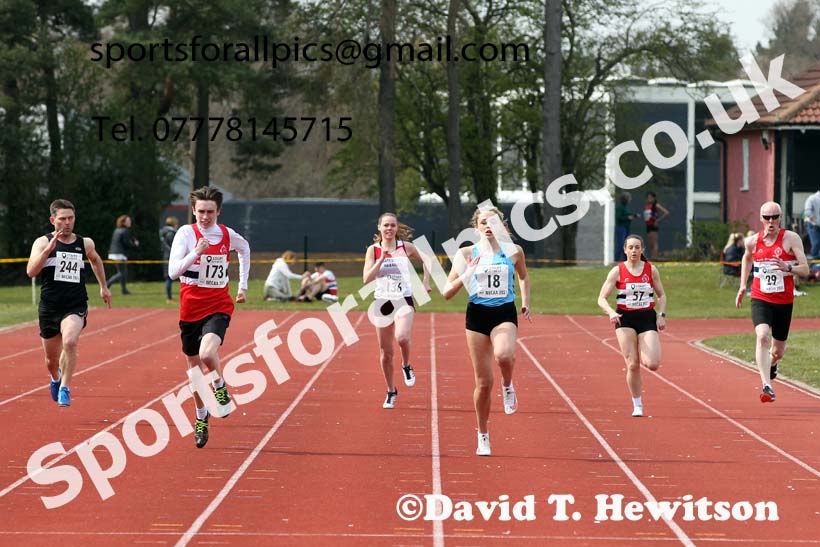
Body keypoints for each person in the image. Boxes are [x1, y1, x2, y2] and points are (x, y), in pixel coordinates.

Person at [443, 207, 531, 456]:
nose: (489, 226)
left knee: (503, 355)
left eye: (494, 221)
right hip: (477, 316)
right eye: (484, 222)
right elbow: (446, 293)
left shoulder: (513, 251)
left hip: (504, 313)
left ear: (501, 225)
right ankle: (483, 435)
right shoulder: (466, 253)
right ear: (476, 227)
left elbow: (523, 277)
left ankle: (508, 384)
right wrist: (467, 274)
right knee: (483, 384)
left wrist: (525, 300)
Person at [168, 187, 250, 448]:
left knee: (206, 355)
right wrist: (196, 252)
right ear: (193, 211)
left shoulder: (226, 234)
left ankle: (220, 385)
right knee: (194, 372)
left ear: (218, 211)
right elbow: (172, 272)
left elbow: (245, 249)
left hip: (218, 304)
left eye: (210, 212)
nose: (205, 217)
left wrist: (243, 286)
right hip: (190, 307)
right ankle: (202, 415)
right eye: (201, 211)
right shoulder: (185, 234)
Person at [26, 199, 112, 407]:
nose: (67, 222)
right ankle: (55, 378)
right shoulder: (42, 242)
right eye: (62, 218)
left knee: (71, 341)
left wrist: (103, 286)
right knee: (51, 361)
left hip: (75, 304)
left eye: (70, 218)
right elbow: (31, 272)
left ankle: (65, 386)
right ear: (52, 219)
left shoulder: (84, 243)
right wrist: (48, 251)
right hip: (49, 306)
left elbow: (95, 260)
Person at [735, 202, 809, 403]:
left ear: (780, 218)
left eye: (774, 217)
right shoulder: (752, 241)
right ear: (761, 219)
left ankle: (772, 363)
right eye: (766, 218)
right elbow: (746, 258)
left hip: (784, 301)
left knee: (778, 351)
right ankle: (767, 385)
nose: (771, 221)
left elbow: (806, 269)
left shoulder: (791, 239)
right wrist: (743, 285)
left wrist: (788, 267)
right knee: (762, 336)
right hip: (761, 297)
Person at [362, 213, 431, 409]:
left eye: (392, 225)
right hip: (382, 302)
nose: (389, 229)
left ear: (396, 228)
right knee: (386, 353)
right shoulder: (373, 251)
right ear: (379, 228)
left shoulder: (405, 247)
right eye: (386, 225)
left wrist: (425, 282)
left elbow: (427, 260)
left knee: (402, 338)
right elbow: (366, 279)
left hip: (403, 299)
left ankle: (406, 365)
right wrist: (380, 260)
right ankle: (391, 391)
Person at [597, 234, 667, 418]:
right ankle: (637, 404)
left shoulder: (651, 270)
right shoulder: (617, 271)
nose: (634, 251)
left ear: (642, 250)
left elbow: (662, 295)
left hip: (646, 317)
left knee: (652, 364)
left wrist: (661, 315)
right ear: (625, 250)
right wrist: (611, 312)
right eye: (631, 247)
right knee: (632, 364)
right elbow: (601, 298)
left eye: (637, 247)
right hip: (625, 318)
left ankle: (645, 352)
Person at [106, 214, 139, 295]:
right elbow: (126, 243)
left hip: (114, 253)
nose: (130, 222)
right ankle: (107, 284)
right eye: (128, 221)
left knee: (122, 273)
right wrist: (135, 244)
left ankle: (124, 290)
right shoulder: (125, 231)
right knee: (122, 273)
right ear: (123, 222)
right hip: (119, 254)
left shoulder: (117, 230)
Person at [643, 191, 669, 259]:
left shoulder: (656, 205)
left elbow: (666, 212)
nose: (649, 199)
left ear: (654, 198)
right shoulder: (647, 206)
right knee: (650, 243)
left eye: (651, 197)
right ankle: (653, 255)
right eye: (648, 198)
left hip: (653, 225)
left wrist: (657, 221)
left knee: (654, 242)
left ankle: (655, 256)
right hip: (648, 225)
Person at [160, 216, 180, 303]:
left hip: (167, 255)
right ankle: (169, 298)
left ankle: (169, 297)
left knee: (169, 277)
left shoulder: (164, 233)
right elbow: (173, 246)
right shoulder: (170, 233)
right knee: (169, 277)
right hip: (170, 257)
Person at [615, 192, 637, 261]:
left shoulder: (626, 207)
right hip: (621, 227)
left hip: (626, 227)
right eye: (629, 198)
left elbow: (627, 214)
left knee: (626, 244)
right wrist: (628, 218)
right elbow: (619, 218)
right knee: (621, 244)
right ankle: (617, 259)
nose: (630, 199)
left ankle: (626, 259)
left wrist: (633, 215)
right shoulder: (620, 208)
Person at [804, 189, 820, 259]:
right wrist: (815, 219)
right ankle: (814, 259)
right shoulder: (812, 198)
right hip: (813, 225)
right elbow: (807, 211)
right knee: (816, 243)